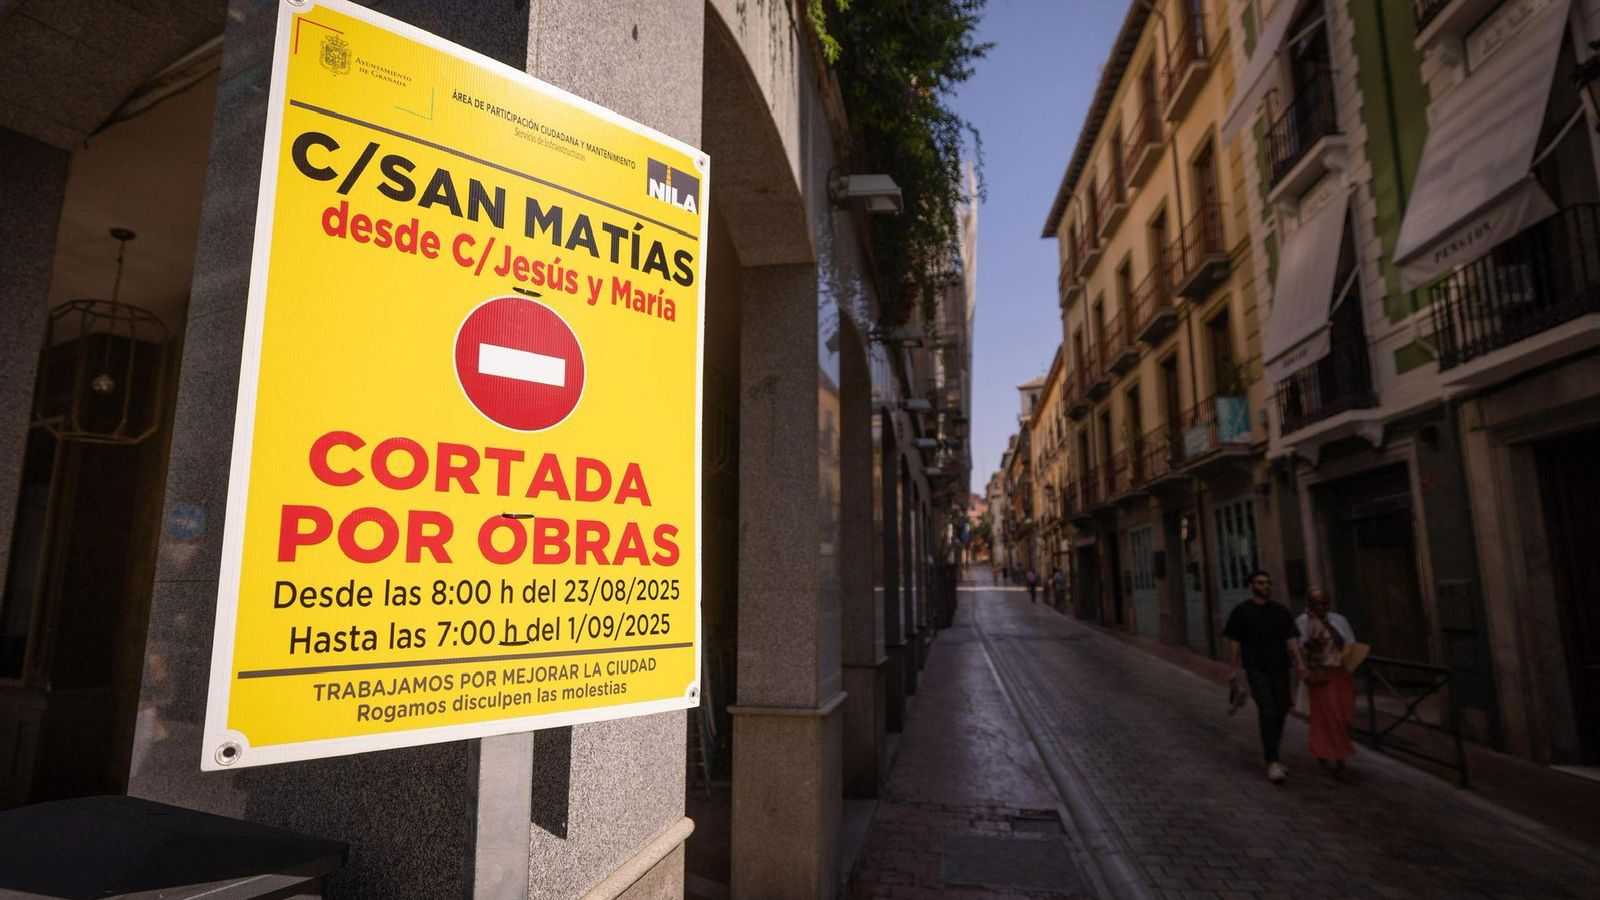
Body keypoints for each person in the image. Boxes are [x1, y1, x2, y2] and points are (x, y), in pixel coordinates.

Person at [1224, 569, 1307, 783]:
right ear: (1251, 586)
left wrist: (1299, 663)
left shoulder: (1280, 611)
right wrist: (1233, 668)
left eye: (1268, 583)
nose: (1266, 586)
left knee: (1281, 710)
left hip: (1280, 667)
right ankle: (1272, 760)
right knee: (1268, 710)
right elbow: (1235, 642)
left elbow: (1291, 639)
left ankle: (1273, 755)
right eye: (1261, 583)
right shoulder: (1241, 612)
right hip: (1256, 668)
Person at [1297, 587, 1357, 779]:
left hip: (1341, 673)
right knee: (1332, 717)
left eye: (1324, 603)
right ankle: (1340, 761)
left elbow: (1350, 643)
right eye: (1316, 603)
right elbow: (1299, 649)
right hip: (1322, 674)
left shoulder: (1339, 620)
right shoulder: (1303, 622)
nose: (1320, 607)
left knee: (1345, 716)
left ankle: (1324, 749)